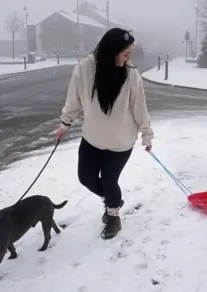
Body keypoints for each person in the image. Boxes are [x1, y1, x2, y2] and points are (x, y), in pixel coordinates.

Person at [55, 28, 154, 240]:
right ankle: (113, 200)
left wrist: (146, 134)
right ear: (111, 51)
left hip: (120, 142)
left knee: (109, 180)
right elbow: (73, 100)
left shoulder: (131, 74)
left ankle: (113, 216)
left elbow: (140, 107)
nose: (129, 58)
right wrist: (64, 124)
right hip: (91, 138)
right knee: (86, 177)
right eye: (125, 53)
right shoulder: (84, 69)